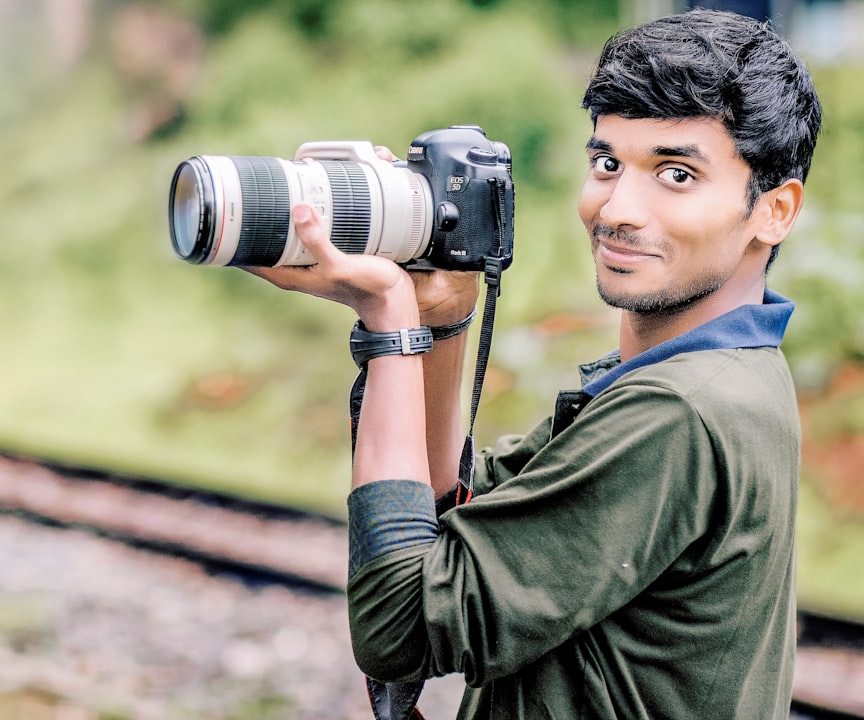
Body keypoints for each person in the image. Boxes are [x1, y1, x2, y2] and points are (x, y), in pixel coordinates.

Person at [250, 8, 822, 719]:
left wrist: (390, 325)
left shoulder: (677, 413)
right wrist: (442, 315)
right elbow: (450, 517)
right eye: (607, 163)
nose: (617, 209)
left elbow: (399, 627)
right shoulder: (721, 375)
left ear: (774, 210)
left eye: (676, 174)